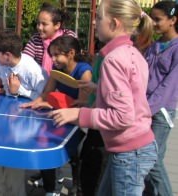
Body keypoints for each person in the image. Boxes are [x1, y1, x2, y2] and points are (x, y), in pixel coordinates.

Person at [49, 0, 157, 195]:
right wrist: (99, 88)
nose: (93, 23)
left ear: (114, 24)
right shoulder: (133, 53)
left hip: (130, 153)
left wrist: (78, 113)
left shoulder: (113, 60)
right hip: (137, 146)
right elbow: (131, 94)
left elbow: (123, 116)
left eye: (98, 18)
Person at [21, 36, 92, 196]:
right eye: (51, 55)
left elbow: (81, 103)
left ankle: (77, 186)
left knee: (78, 155)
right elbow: (47, 93)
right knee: (45, 142)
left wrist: (51, 105)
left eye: (56, 55)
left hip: (80, 118)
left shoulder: (84, 71)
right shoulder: (56, 69)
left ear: (71, 53)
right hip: (63, 114)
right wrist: (34, 104)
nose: (53, 59)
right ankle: (51, 189)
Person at [143, 1, 178, 195]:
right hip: (145, 108)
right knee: (153, 159)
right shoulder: (154, 45)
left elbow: (169, 85)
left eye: (158, 20)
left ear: (173, 20)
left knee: (152, 159)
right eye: (152, 19)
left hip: (161, 112)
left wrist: (147, 108)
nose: (154, 24)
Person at [0, 31, 47, 99]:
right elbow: (10, 90)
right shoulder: (3, 65)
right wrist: (6, 91)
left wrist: (17, 91)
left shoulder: (32, 70)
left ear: (7, 55)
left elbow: (45, 97)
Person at [23, 3, 77, 74]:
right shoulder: (36, 39)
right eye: (38, 23)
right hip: (41, 80)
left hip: (66, 78)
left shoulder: (68, 36)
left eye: (44, 24)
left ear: (57, 25)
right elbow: (25, 61)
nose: (39, 27)